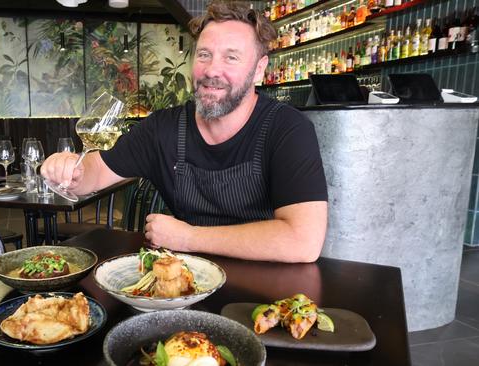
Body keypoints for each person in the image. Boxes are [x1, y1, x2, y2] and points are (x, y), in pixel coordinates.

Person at [42, 0, 328, 263]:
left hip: (263, 296)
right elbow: (96, 172)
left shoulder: (288, 129)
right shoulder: (162, 128)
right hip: (185, 285)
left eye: (231, 58)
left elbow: (303, 241)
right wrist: (71, 171)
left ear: (258, 69)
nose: (212, 70)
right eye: (204, 55)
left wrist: (188, 237)